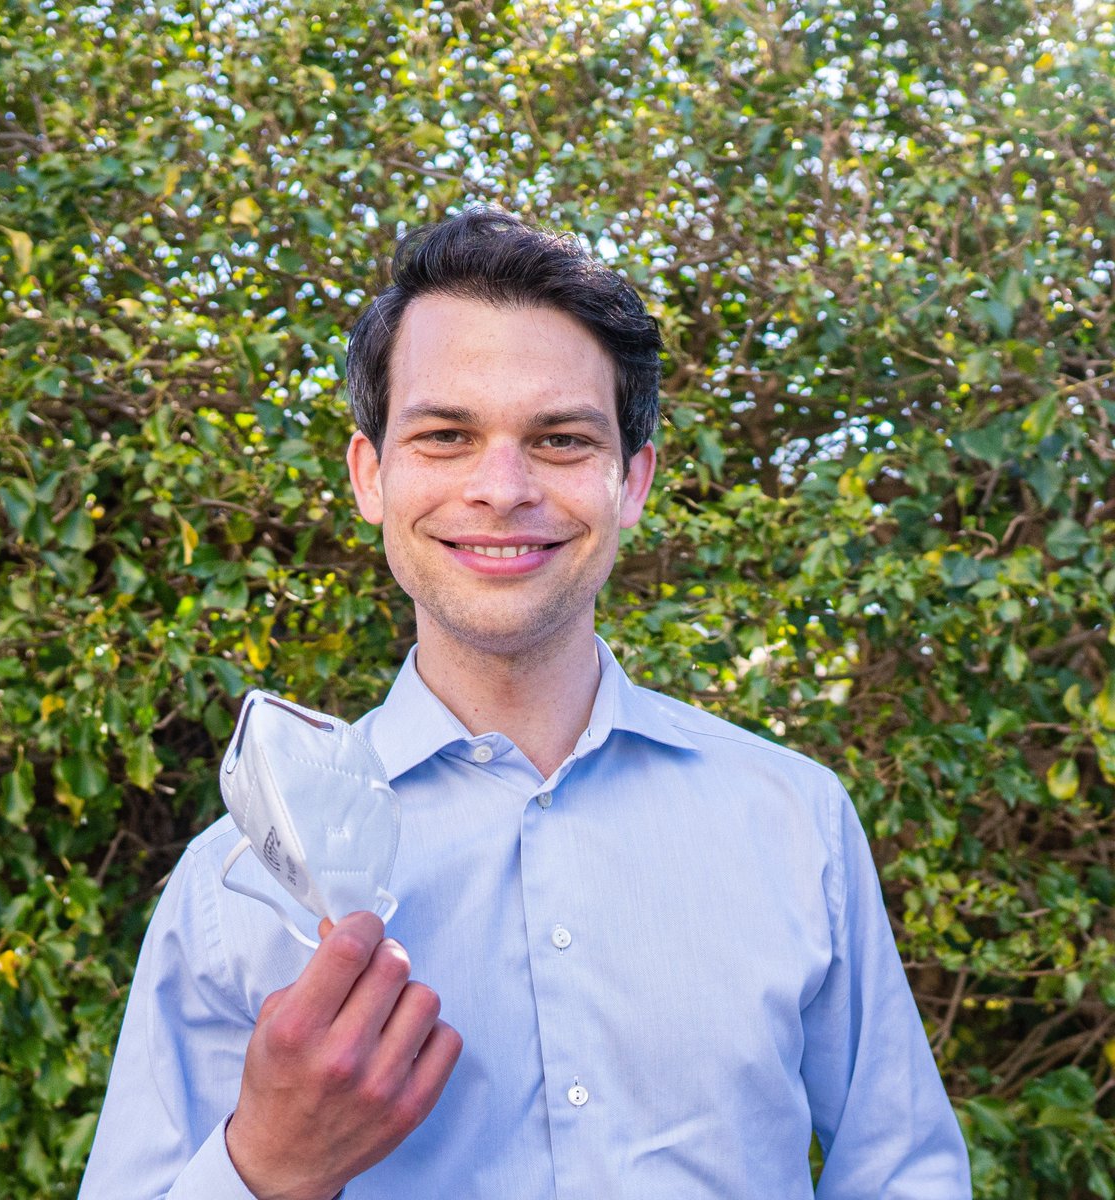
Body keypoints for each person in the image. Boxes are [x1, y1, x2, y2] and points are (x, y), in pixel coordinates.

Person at [80, 209, 971, 1199]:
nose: (500, 488)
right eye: (447, 435)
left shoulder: (796, 819)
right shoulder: (235, 884)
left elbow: (903, 1174)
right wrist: (270, 1169)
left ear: (630, 481)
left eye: (558, 439)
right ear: (371, 474)